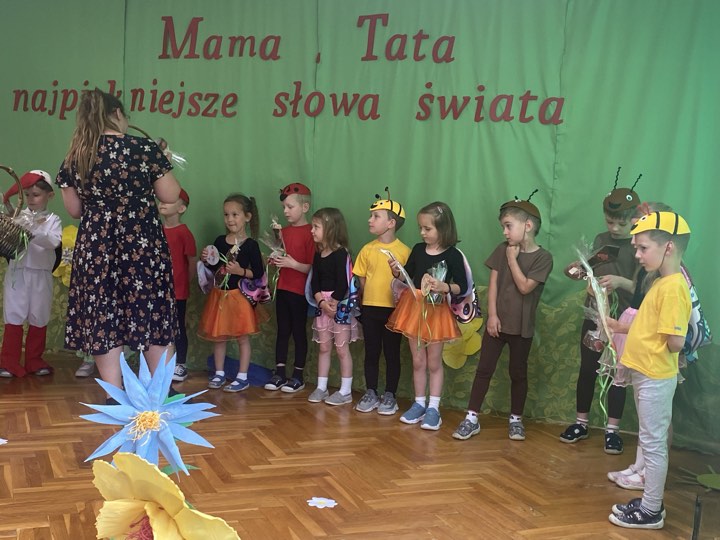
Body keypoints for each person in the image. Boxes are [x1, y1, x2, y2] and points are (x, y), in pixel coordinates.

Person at [56, 89, 180, 401]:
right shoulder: (143, 148)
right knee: (152, 310)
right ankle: (160, 391)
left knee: (103, 314)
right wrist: (161, 163)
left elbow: (74, 210)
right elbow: (171, 195)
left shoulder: (76, 156)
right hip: (142, 245)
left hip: (97, 247)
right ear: (117, 114)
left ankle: (114, 393)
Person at [608, 211, 691, 530]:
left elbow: (675, 341)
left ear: (668, 247)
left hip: (656, 375)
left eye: (643, 248)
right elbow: (650, 325)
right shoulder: (660, 283)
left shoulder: (673, 287)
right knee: (649, 439)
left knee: (654, 445)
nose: (638, 255)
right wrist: (622, 328)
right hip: (646, 373)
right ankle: (649, 502)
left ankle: (652, 510)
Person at [452, 194, 553, 441]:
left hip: (522, 327)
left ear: (527, 225)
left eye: (508, 226)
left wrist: (512, 260)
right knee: (484, 370)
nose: (504, 232)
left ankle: (516, 420)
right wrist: (492, 316)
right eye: (503, 227)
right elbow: (494, 284)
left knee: (518, 373)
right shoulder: (501, 249)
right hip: (497, 324)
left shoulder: (543, 258)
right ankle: (471, 418)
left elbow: (525, 287)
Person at [560, 169, 642, 454]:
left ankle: (612, 430)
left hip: (623, 321)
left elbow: (644, 289)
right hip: (595, 317)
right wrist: (581, 273)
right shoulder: (600, 239)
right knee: (588, 369)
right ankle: (581, 423)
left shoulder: (639, 246)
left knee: (616, 375)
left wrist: (621, 282)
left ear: (635, 220)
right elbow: (589, 272)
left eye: (621, 223)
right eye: (610, 221)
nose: (615, 228)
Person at [386, 201, 467, 430]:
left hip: (437, 312)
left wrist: (444, 287)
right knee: (418, 360)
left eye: (427, 228)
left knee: (433, 362)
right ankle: (419, 403)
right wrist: (397, 271)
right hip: (414, 309)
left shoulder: (453, 255)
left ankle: (434, 408)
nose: (422, 232)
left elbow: (462, 286)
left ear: (443, 228)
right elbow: (408, 277)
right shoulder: (418, 249)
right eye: (420, 228)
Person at [199, 193, 266, 392]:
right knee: (219, 336)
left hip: (239, 298)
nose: (230, 219)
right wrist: (206, 259)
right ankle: (219, 373)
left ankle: (242, 377)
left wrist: (240, 271)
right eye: (226, 215)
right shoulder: (220, 241)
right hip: (219, 296)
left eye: (235, 214)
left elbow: (258, 273)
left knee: (242, 338)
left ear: (247, 217)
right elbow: (215, 268)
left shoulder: (251, 245)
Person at [353, 191, 411, 415]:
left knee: (392, 353)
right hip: (370, 309)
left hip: (394, 311)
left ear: (391, 223)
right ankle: (371, 391)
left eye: (376, 216)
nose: (370, 220)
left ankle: (390, 395)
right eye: (371, 216)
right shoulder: (367, 249)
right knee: (372, 351)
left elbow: (407, 284)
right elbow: (361, 279)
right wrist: (366, 302)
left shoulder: (404, 252)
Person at [0, 170, 62, 377]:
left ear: (49, 195)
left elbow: (53, 242)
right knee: (13, 315)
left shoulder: (53, 220)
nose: (31, 199)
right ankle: (8, 362)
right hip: (17, 274)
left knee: (39, 316)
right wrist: (17, 220)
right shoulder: (18, 217)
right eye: (27, 195)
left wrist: (33, 230)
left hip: (41, 275)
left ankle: (34, 361)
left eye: (36, 195)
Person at [306, 207, 361, 405]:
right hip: (323, 305)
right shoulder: (318, 254)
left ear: (330, 229)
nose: (312, 231)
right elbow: (314, 282)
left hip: (340, 306)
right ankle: (321, 388)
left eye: (316, 227)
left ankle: (345, 391)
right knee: (324, 347)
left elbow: (344, 282)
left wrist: (334, 302)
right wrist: (322, 302)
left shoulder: (341, 254)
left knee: (341, 349)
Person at [264, 182, 315, 393]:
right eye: (284, 207)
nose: (285, 211)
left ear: (305, 207)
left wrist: (293, 264)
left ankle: (298, 375)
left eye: (290, 207)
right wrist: (274, 260)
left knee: (298, 332)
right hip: (283, 288)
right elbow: (280, 256)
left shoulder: (311, 233)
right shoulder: (282, 232)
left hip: (300, 292)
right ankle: (279, 373)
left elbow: (313, 267)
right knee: (282, 331)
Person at [159, 188, 197, 383]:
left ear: (181, 208)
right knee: (159, 326)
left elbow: (191, 261)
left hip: (178, 290)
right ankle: (160, 365)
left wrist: (184, 283)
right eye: (161, 199)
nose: (162, 203)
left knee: (178, 326)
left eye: (169, 200)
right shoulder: (156, 230)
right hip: (158, 290)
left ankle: (180, 363)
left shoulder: (184, 233)